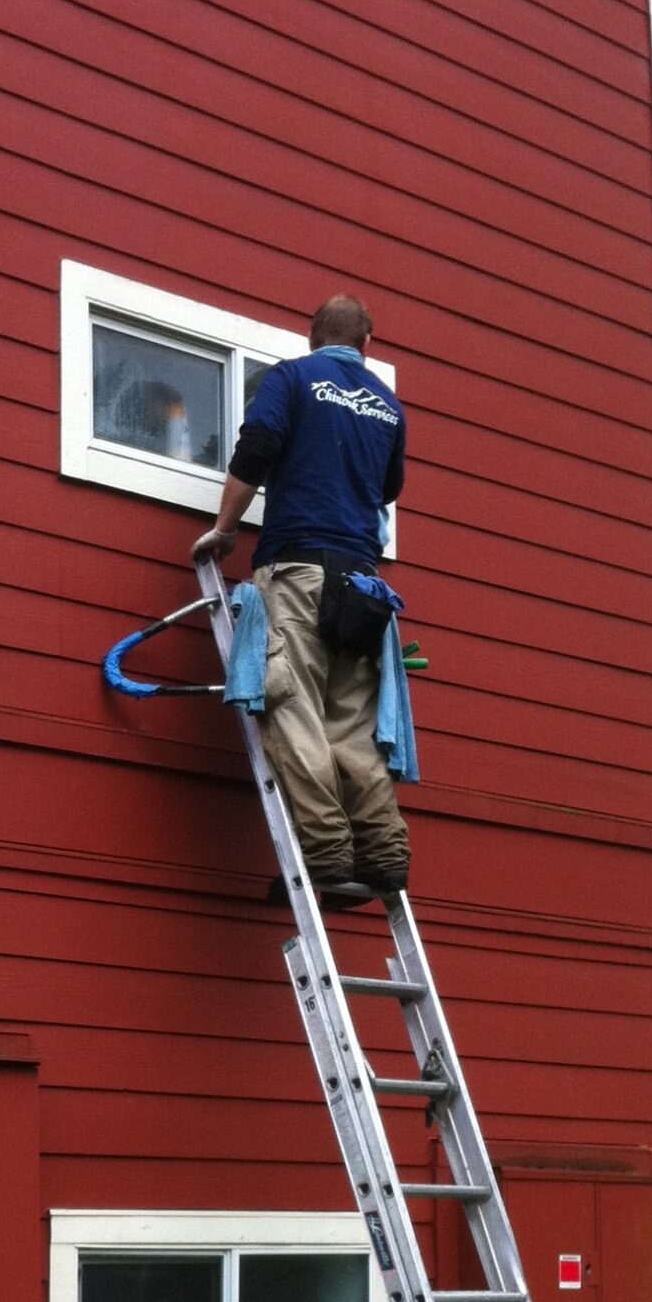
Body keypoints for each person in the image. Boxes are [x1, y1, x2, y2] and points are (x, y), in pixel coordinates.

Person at [191, 295, 410, 901]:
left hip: (300, 572)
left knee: (294, 710)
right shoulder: (388, 406)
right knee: (352, 723)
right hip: (364, 586)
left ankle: (327, 856)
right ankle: (386, 852)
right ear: (367, 344)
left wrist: (227, 527)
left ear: (313, 338)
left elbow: (255, 452)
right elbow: (389, 486)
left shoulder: (291, 378)